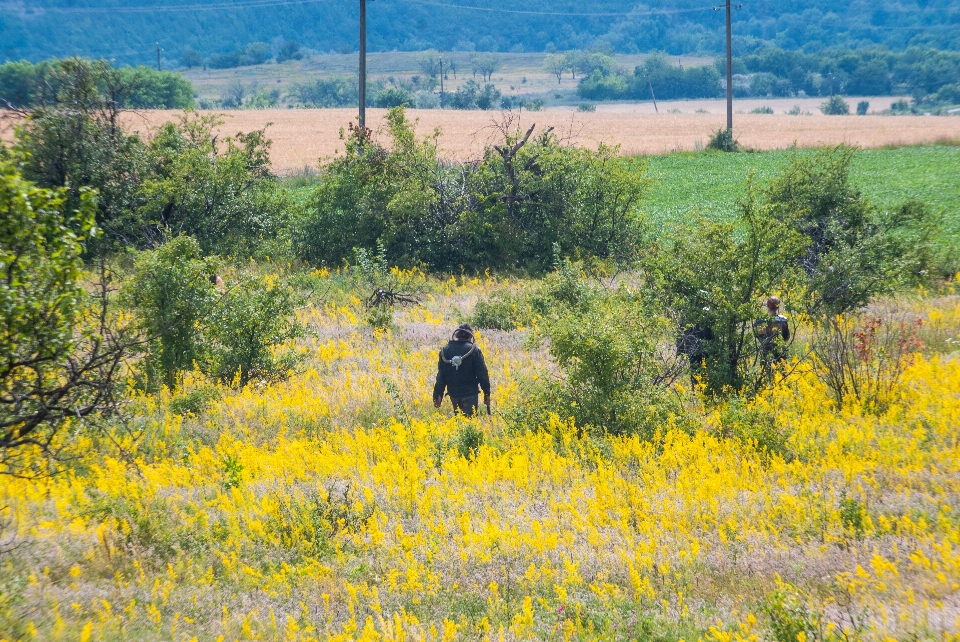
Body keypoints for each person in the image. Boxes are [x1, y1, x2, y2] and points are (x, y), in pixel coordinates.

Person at [433, 323, 491, 416]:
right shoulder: (474, 350)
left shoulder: (445, 350)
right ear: (470, 336)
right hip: (470, 394)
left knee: (459, 423)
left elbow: (441, 376)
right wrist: (487, 393)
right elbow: (482, 374)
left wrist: (437, 394)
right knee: (469, 424)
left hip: (454, 394)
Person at [753, 296, 790, 365]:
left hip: (766, 353)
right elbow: (786, 337)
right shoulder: (782, 321)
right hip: (780, 354)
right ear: (778, 307)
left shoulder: (760, 321)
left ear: (767, 305)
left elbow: (759, 337)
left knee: (765, 374)